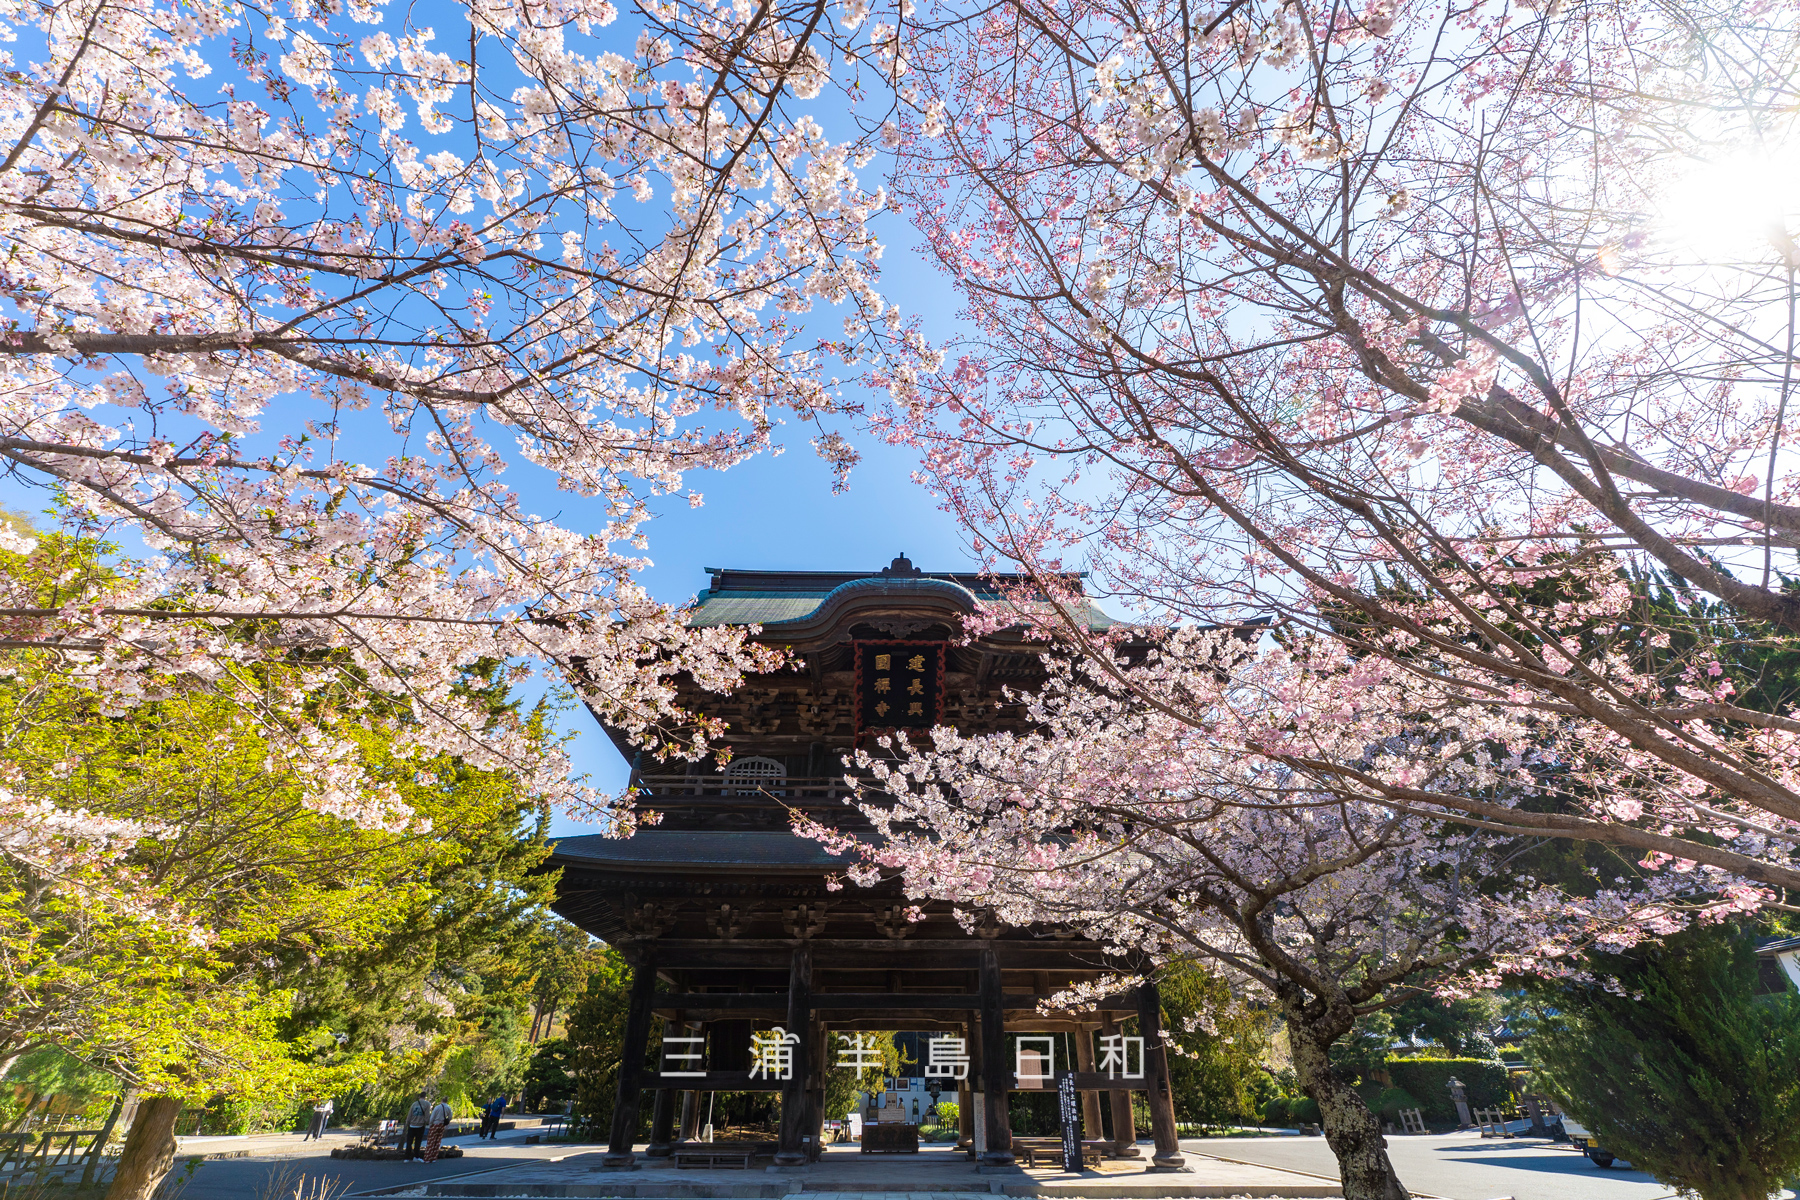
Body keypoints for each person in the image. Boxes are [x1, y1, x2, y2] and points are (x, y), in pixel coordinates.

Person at [421, 1096, 453, 1164]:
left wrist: (430, 1124)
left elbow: (432, 1117)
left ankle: (427, 1158)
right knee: (437, 1141)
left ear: (441, 1100)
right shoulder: (448, 1107)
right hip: (442, 1125)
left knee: (431, 1141)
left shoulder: (437, 1107)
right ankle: (434, 1158)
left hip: (435, 1124)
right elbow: (450, 1116)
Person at [403, 1092, 430, 1160]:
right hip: (420, 1125)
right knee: (418, 1142)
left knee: (409, 1142)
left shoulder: (414, 1104)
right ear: (425, 1097)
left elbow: (409, 1114)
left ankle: (407, 1157)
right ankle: (416, 1156)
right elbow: (427, 1116)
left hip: (412, 1125)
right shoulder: (427, 1104)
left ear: (419, 1097)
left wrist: (407, 1122)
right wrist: (427, 1122)